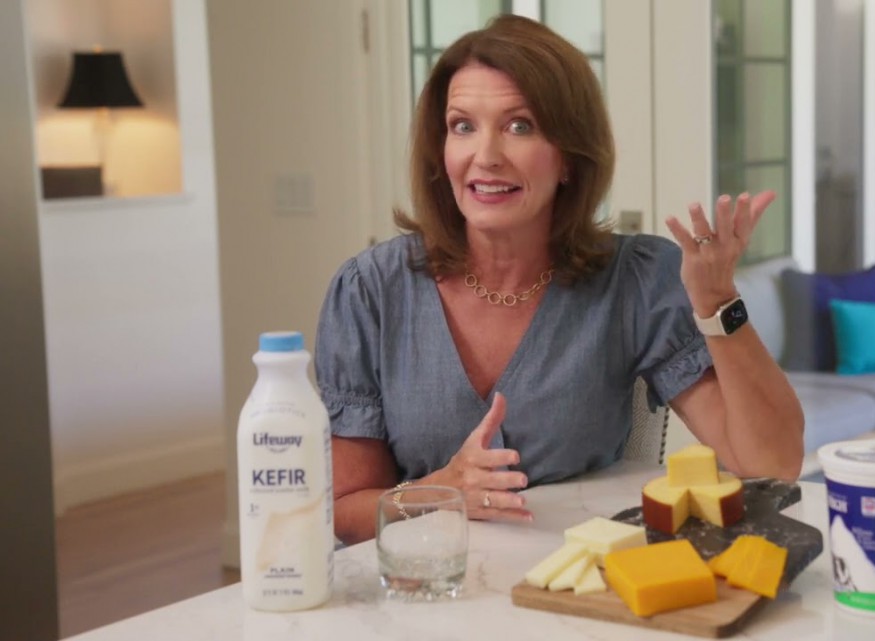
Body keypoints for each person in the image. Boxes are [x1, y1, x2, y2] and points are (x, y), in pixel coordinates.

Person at [315, 15, 804, 546]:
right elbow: (346, 509)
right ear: (441, 151)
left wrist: (717, 303)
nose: (486, 156)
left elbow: (771, 465)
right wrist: (439, 491)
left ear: (569, 156)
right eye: (463, 126)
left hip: (584, 575)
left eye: (519, 126)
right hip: (429, 581)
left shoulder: (637, 281)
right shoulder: (370, 292)